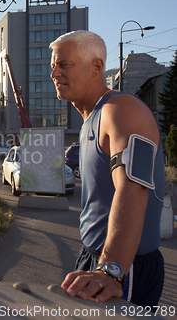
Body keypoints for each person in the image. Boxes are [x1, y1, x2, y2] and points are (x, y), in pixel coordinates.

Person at [49, 31, 165, 307]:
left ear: (97, 67)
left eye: (64, 65)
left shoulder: (120, 110)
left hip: (124, 265)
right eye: (53, 65)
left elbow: (133, 186)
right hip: (97, 257)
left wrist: (112, 268)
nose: (54, 73)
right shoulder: (90, 119)